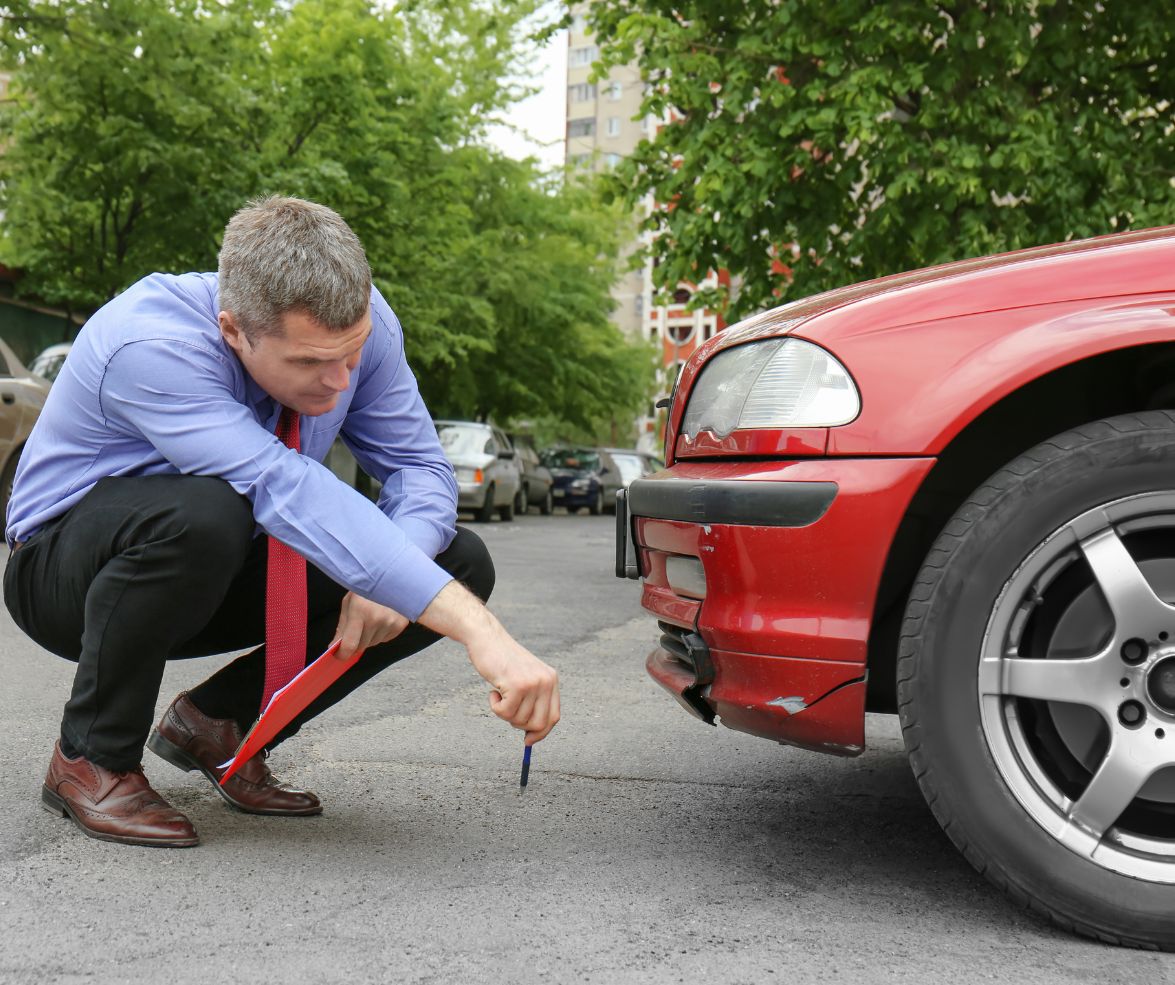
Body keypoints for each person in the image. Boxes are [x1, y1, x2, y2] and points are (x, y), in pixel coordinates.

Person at [4, 196, 560, 848]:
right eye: (308, 363)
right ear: (234, 329)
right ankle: (89, 758)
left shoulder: (366, 327)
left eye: (349, 356)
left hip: (221, 557)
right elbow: (282, 486)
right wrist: (483, 636)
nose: (336, 381)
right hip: (69, 571)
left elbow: (420, 470)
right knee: (204, 510)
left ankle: (223, 725)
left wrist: (395, 575)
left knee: (453, 560)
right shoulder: (149, 342)